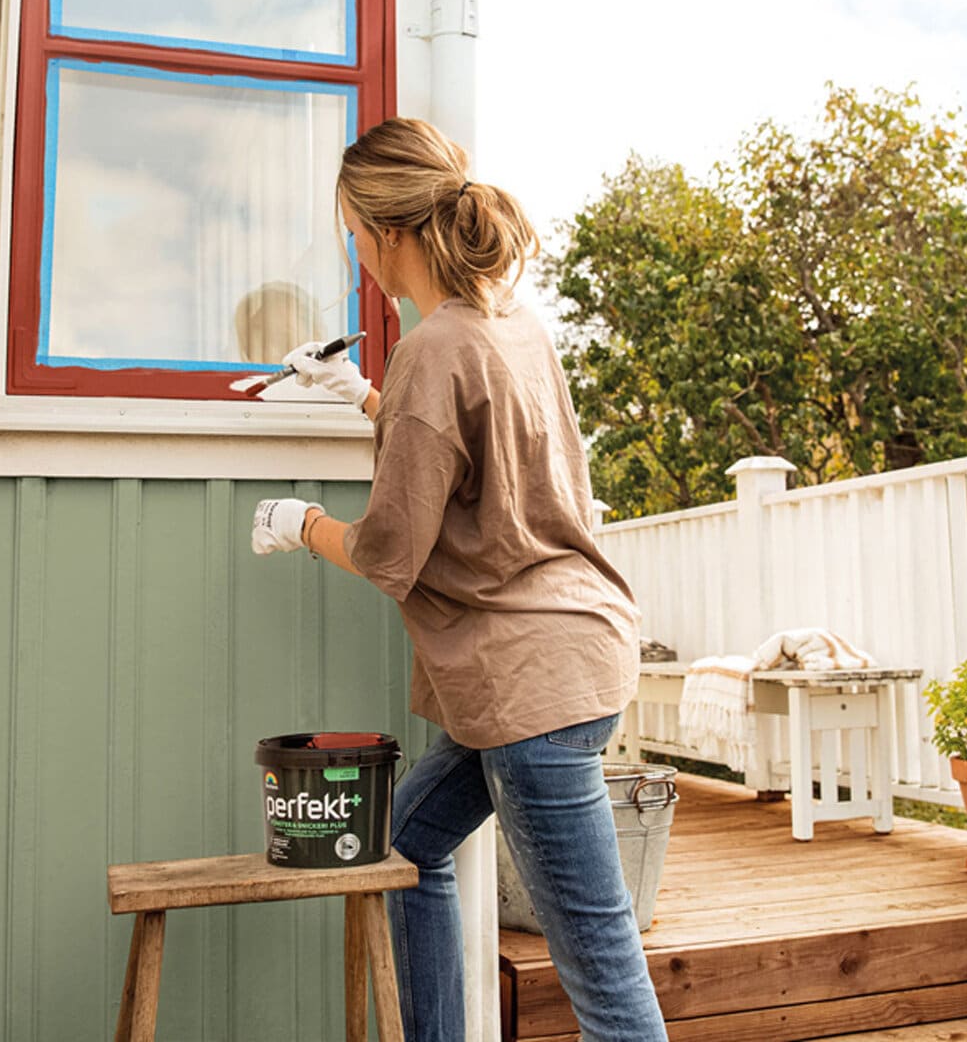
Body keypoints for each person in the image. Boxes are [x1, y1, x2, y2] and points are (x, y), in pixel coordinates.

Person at [249, 118, 668, 1042]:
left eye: (352, 233)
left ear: (386, 233)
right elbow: (471, 453)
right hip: (560, 655)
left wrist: (301, 524)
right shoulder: (507, 325)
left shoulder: (434, 348)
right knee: (404, 848)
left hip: (531, 689)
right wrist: (361, 394)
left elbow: (391, 552)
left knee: (601, 967)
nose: (354, 250)